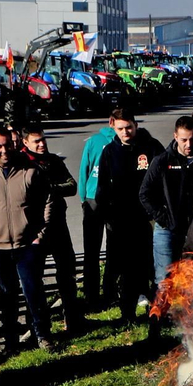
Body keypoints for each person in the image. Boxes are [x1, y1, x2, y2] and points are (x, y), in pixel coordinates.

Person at [0, 128, 57, 352]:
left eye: (7, 145)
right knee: (8, 296)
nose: (4, 150)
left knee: (34, 292)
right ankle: (11, 342)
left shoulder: (30, 170)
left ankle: (43, 336)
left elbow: (48, 200)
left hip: (27, 245)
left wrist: (40, 235)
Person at [95, 111, 163, 322]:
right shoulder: (109, 152)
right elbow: (103, 186)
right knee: (126, 267)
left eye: (129, 127)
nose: (126, 132)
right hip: (121, 218)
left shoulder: (151, 146)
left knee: (150, 264)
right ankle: (127, 311)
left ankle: (156, 310)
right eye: (121, 129)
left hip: (148, 216)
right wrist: (106, 214)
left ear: (136, 125)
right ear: (113, 127)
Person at [23, 127, 84, 333]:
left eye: (43, 140)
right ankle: (36, 324)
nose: (42, 144)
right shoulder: (21, 163)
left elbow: (71, 186)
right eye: (36, 141)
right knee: (33, 277)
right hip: (34, 228)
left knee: (67, 273)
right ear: (26, 143)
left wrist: (49, 187)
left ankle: (72, 319)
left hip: (58, 224)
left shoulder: (54, 161)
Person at [140, 117, 193, 291]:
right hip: (166, 229)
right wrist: (163, 217)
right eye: (184, 140)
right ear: (175, 137)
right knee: (164, 278)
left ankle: (188, 316)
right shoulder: (162, 161)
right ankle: (160, 316)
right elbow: (144, 194)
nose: (189, 144)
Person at [77, 120, 118, 312]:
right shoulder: (94, 141)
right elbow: (85, 168)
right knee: (94, 250)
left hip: (112, 200)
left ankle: (107, 292)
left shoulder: (121, 142)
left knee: (112, 249)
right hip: (94, 199)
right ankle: (92, 294)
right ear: (111, 122)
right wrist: (84, 197)